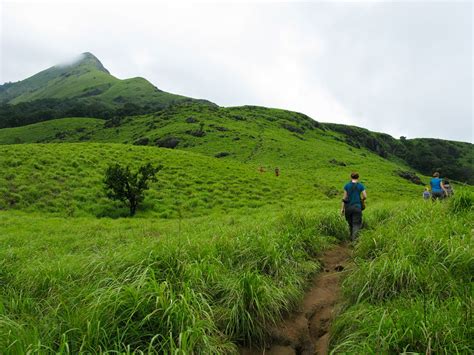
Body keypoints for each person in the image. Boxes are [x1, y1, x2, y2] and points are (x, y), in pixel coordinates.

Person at [340, 172, 367, 241]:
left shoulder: (347, 186)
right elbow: (365, 196)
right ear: (358, 177)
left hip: (348, 207)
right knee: (356, 224)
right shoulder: (361, 186)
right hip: (357, 207)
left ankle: (350, 238)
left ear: (351, 177)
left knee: (350, 223)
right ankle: (354, 241)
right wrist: (362, 200)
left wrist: (342, 209)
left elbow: (344, 198)